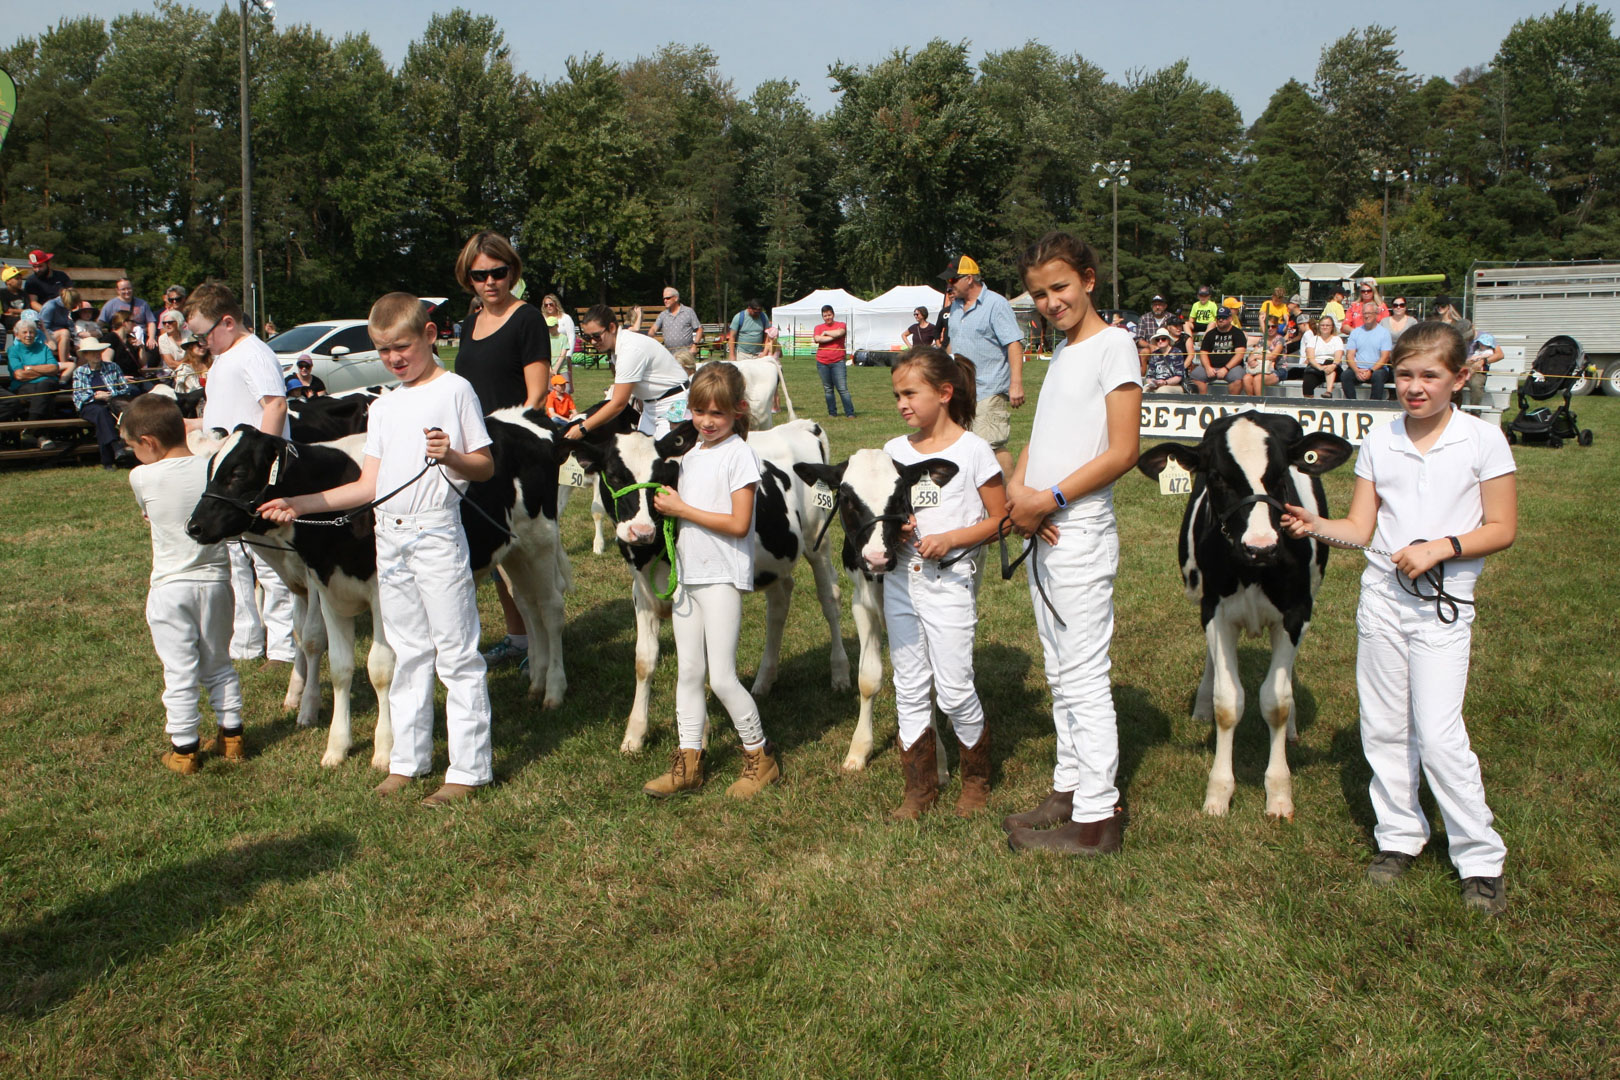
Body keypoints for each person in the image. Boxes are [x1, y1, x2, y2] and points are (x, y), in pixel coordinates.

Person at [1280, 321, 1516, 916]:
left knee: (1438, 735)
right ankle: (1398, 838)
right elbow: (1361, 530)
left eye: (1430, 376)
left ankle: (1480, 857)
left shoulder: (1484, 441)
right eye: (1405, 374)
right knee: (1383, 728)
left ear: (1460, 379)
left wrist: (1441, 547)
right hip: (1381, 603)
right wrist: (1315, 527)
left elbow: (1502, 528)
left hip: (1444, 606)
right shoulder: (1381, 442)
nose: (1414, 387)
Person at [259, 293, 497, 808]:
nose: (393, 357)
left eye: (402, 346)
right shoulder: (384, 405)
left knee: (455, 652)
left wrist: (451, 455)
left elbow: (484, 466)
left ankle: (469, 769)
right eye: (382, 349)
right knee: (408, 650)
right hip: (388, 536)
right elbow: (367, 484)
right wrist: (297, 504)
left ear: (430, 337)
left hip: (436, 532)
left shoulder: (456, 390)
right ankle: (409, 761)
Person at [1002, 231, 1142, 856]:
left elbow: (1123, 451)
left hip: (1078, 529)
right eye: (1038, 294)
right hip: (1045, 525)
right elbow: (1043, 435)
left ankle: (1097, 816)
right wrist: (1017, 492)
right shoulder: (1059, 353)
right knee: (1059, 669)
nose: (1050, 302)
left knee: (1084, 673)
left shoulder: (1115, 345)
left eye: (1059, 287)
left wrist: (1049, 498)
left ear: (1088, 279)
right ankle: (1069, 785)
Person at [641, 362, 781, 800]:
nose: (706, 421)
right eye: (699, 411)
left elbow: (739, 524)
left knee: (721, 677)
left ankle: (761, 757)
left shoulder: (739, 454)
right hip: (689, 578)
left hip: (721, 578)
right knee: (688, 673)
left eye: (717, 414)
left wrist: (682, 510)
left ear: (738, 411)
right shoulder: (693, 455)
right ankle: (688, 762)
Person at [883, 347, 1006, 819]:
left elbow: (1001, 520)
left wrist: (952, 537)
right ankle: (920, 787)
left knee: (954, 688)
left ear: (945, 393)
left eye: (910, 392)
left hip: (950, 584)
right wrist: (897, 527)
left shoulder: (973, 451)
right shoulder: (894, 451)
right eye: (897, 395)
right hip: (899, 582)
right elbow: (882, 512)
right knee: (910, 685)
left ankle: (975, 778)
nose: (901, 403)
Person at [121, 394, 247, 774]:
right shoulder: (212, 468)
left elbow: (150, 513)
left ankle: (184, 747)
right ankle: (232, 736)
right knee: (219, 662)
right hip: (215, 582)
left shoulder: (141, 476)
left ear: (149, 442)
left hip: (170, 586)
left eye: (132, 446)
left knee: (179, 669)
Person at [451, 232, 550, 670]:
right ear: (467, 277)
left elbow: (537, 395)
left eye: (498, 272)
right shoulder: (470, 323)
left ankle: (542, 641)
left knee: (525, 554)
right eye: (479, 275)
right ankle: (518, 639)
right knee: (493, 556)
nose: (490, 282)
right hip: (474, 451)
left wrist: (506, 443)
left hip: (515, 453)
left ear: (512, 270)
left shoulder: (527, 318)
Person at [184, 282, 297, 668]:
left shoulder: (253, 353)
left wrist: (260, 461)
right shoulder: (224, 359)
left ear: (228, 322)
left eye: (203, 334)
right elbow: (221, 413)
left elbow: (275, 404)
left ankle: (283, 643)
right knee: (236, 555)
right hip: (225, 474)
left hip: (249, 475)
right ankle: (247, 638)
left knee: (268, 561)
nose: (200, 344)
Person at [940, 254, 1023, 475]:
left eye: (952, 280)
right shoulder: (955, 307)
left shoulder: (996, 304)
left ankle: (1008, 499)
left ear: (969, 278)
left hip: (990, 389)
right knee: (964, 448)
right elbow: (954, 344)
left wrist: (1016, 384)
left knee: (990, 446)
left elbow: (1014, 343)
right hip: (962, 391)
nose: (949, 286)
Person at [564, 304, 690, 441]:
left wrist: (583, 428)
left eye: (596, 336)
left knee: (666, 456)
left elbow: (618, 403)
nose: (593, 342)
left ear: (611, 328)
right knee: (642, 454)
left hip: (674, 403)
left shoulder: (630, 349)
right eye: (588, 338)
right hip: (651, 406)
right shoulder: (617, 349)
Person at [70, 340, 137, 468]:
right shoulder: (79, 372)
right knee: (102, 413)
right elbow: (79, 396)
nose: (97, 355)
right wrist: (95, 396)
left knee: (104, 416)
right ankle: (116, 447)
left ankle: (108, 461)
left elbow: (125, 388)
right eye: (93, 352)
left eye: (98, 352)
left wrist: (110, 396)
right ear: (86, 355)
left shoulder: (113, 367)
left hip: (113, 402)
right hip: (89, 405)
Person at [6, 318, 65, 450]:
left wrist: (30, 368)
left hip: (47, 383)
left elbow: (54, 368)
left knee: (45, 386)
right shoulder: (13, 350)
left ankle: (31, 426)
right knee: (46, 394)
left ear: (36, 334)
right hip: (23, 386)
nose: (28, 335)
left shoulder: (43, 348)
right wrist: (43, 370)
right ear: (17, 335)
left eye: (31, 332)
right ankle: (42, 436)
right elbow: (19, 375)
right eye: (25, 332)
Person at [1343, 302, 1394, 400]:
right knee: (1346, 375)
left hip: (1377, 369)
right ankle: (1352, 404)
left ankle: (1373, 405)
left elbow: (1385, 357)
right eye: (1364, 313)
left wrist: (1371, 370)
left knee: (1378, 376)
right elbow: (1349, 355)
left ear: (1376, 314)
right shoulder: (1355, 332)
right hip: (1358, 369)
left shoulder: (1384, 333)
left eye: (1369, 313)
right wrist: (1356, 370)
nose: (1366, 316)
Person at [1190, 305, 1246, 393]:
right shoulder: (1210, 334)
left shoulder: (1238, 333)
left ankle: (1231, 403)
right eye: (1218, 317)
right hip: (1211, 367)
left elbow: (1239, 355)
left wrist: (1226, 368)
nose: (1220, 320)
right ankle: (1203, 401)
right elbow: (1203, 353)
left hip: (1231, 368)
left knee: (1237, 379)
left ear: (1230, 319)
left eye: (1224, 317)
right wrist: (1208, 368)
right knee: (1194, 376)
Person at [812, 304, 854, 419]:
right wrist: (832, 336)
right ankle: (832, 413)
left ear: (833, 314)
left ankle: (849, 413)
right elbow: (817, 339)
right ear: (822, 316)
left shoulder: (841, 325)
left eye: (829, 315)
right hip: (822, 362)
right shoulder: (818, 327)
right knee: (828, 389)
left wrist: (826, 333)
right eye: (825, 315)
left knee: (842, 388)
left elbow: (840, 332)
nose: (827, 317)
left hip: (838, 362)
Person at [654, 287, 704, 372]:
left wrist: (695, 345)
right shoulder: (663, 315)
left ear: (676, 298)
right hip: (669, 356)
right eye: (664, 298)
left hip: (686, 355)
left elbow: (699, 329)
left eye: (668, 298)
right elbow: (653, 329)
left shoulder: (688, 312)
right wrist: (651, 335)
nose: (665, 300)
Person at [98, 278, 158, 345]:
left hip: (142, 337)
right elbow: (101, 322)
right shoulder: (110, 305)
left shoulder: (143, 304)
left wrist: (151, 338)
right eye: (123, 289)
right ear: (117, 290)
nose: (127, 291)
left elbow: (151, 322)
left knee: (153, 349)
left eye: (129, 288)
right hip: (121, 338)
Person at [1301, 315, 1344, 398]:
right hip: (1316, 367)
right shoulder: (1313, 339)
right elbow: (1311, 358)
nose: (1325, 327)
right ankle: (1308, 402)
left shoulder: (1337, 339)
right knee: (1307, 381)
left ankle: (1328, 391)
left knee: (1329, 362)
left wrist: (1333, 365)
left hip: (1333, 367)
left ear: (1332, 327)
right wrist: (1319, 367)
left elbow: (1338, 357)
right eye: (1322, 325)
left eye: (1327, 325)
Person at [540, 294, 575, 392]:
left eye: (551, 304)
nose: (549, 307)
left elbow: (571, 336)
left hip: (564, 354)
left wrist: (568, 354)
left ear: (556, 304)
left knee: (565, 383)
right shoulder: (542, 318)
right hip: (549, 355)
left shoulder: (565, 318)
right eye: (546, 305)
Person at [1465, 332, 1502, 408]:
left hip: (1479, 370)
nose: (1481, 345)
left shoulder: (1488, 351)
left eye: (1483, 344)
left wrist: (1482, 360)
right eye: (1480, 344)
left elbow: (1499, 355)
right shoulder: (1477, 351)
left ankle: (1475, 411)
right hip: (1465, 367)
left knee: (1476, 384)